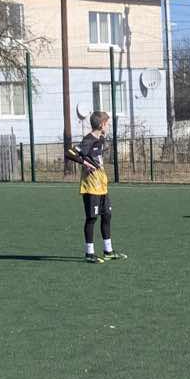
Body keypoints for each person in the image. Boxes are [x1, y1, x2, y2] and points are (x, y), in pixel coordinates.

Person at [66, 111, 124, 264]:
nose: (108, 126)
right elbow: (70, 153)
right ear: (101, 125)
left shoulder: (101, 139)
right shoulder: (88, 140)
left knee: (107, 216)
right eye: (107, 123)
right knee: (92, 218)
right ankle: (89, 253)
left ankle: (108, 251)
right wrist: (85, 163)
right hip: (91, 186)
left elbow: (93, 155)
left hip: (102, 185)